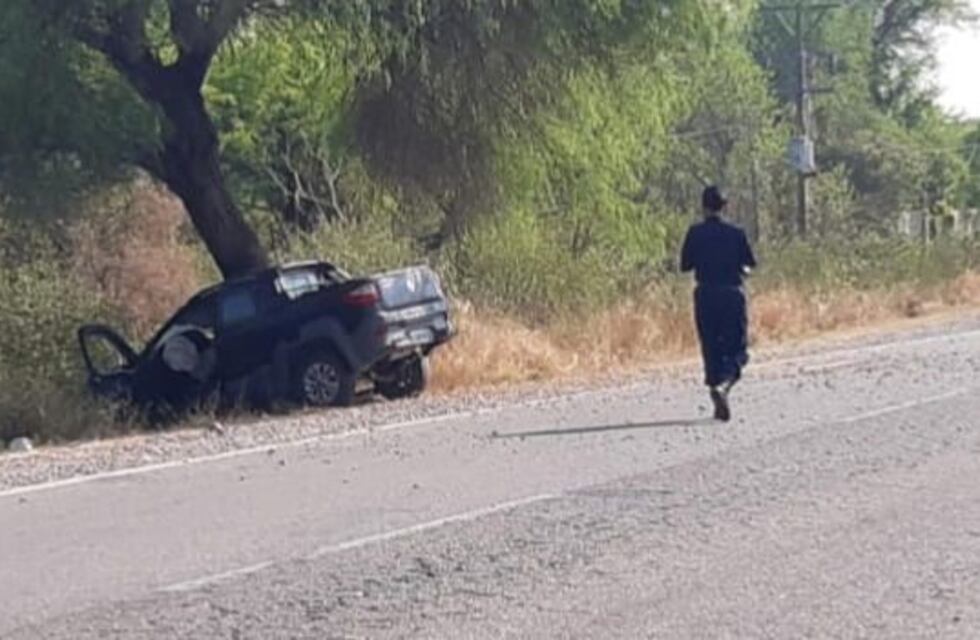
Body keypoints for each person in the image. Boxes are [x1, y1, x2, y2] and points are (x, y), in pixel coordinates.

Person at [680, 185, 756, 422]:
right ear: (725, 206)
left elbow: (685, 265)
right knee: (737, 349)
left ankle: (716, 388)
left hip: (705, 294)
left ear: (703, 207)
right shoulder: (737, 233)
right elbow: (749, 263)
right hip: (732, 294)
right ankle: (724, 386)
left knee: (710, 346)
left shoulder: (695, 233)